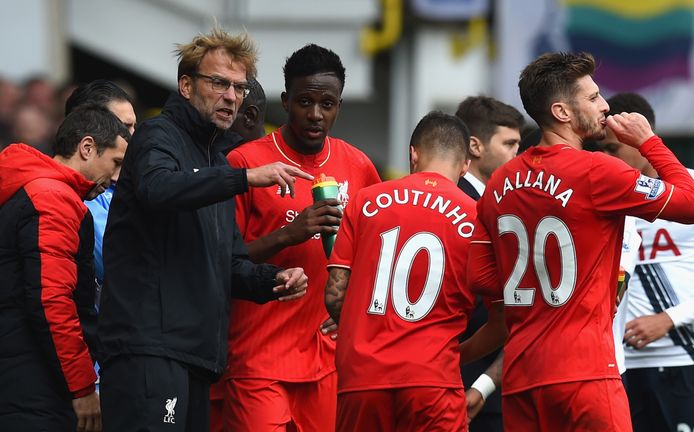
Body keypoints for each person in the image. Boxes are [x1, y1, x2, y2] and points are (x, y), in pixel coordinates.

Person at [467, 52, 694, 432]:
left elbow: (481, 277)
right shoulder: (598, 171)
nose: (605, 105)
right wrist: (649, 142)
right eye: (593, 97)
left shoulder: (498, 183)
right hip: (585, 373)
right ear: (563, 112)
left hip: (520, 377)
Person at [96, 28, 312, 432]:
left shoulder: (216, 159)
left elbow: (229, 264)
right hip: (150, 351)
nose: (231, 96)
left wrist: (274, 281)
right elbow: (157, 188)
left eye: (239, 87)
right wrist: (244, 177)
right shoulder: (157, 135)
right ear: (186, 85)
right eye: (219, 83)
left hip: (195, 358)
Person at [223, 44, 381, 431]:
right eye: (304, 102)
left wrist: (352, 314)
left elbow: (376, 256)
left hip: (327, 356)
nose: (315, 114)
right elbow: (223, 259)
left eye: (327, 104)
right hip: (258, 357)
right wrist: (290, 233)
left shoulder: (358, 165)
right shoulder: (246, 163)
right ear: (285, 101)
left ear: (339, 106)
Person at [324, 111, 506, 431]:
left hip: (363, 379)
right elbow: (503, 323)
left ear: (413, 155)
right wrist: (456, 354)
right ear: (465, 165)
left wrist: (364, 330)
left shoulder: (365, 201)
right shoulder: (478, 217)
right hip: (433, 380)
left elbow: (335, 295)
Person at [0, 105, 130, 432]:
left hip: (4, 383)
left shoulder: (18, 197)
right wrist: (83, 387)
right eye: (115, 163)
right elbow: (52, 302)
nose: (116, 177)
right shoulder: (52, 198)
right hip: (36, 388)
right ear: (87, 148)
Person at [600, 93, 694, 432]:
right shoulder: (605, 198)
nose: (606, 158)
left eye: (614, 148)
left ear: (643, 139)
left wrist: (668, 319)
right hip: (617, 366)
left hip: (686, 359)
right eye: (601, 150)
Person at [454, 96, 524, 432]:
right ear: (474, 146)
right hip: (468, 374)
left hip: (483, 374)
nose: (517, 155)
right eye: (509, 144)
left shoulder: (494, 201)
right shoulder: (470, 206)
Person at [209, 76, 267, 432]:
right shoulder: (219, 167)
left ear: (247, 117)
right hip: (224, 353)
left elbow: (222, 257)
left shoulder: (233, 166)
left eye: (225, 112)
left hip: (254, 356)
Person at [65, 79, 137, 288]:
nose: (133, 136)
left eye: (134, 126)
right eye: (123, 127)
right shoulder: (83, 194)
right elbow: (120, 264)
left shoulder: (138, 180)